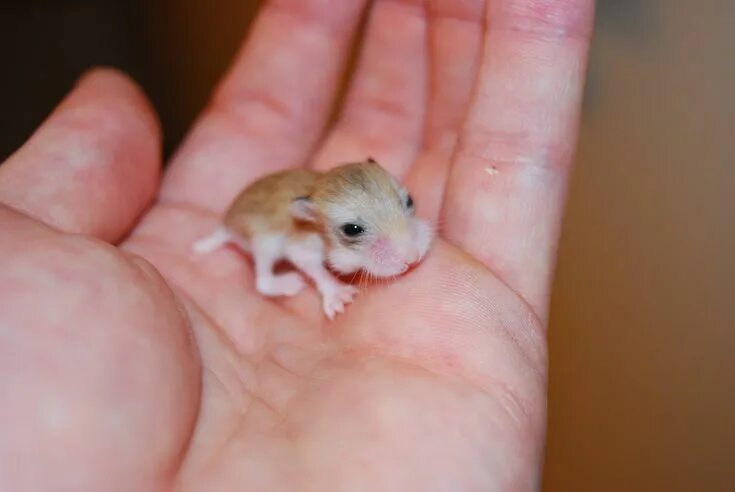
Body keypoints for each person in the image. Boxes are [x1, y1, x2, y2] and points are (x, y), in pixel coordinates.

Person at [0, 0, 594, 489]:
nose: (409, 246)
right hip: (250, 224)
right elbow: (313, 260)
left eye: (406, 206)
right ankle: (261, 275)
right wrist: (328, 284)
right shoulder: (308, 239)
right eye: (358, 234)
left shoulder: (362, 216)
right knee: (261, 246)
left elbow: (389, 233)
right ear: (315, 223)